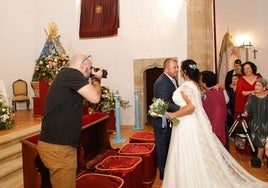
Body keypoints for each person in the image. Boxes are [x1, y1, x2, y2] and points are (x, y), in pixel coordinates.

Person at [162, 59, 268, 188]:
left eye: (179, 68)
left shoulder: (186, 86)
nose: (178, 70)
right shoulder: (195, 85)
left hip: (186, 124)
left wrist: (173, 115)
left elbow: (191, 108)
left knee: (187, 151)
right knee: (195, 151)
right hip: (190, 123)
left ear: (184, 72)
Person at [37, 53, 103, 188]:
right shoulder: (71, 74)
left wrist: (90, 82)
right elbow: (95, 98)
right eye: (90, 69)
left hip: (59, 145)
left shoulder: (66, 77)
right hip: (59, 147)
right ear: (83, 67)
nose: (91, 72)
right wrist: (96, 79)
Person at [152, 58, 180, 180]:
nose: (177, 69)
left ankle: (168, 169)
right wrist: (182, 108)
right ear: (167, 68)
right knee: (162, 147)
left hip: (170, 119)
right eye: (175, 67)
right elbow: (165, 102)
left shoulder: (172, 80)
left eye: (177, 67)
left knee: (168, 145)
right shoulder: (162, 82)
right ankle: (163, 173)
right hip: (162, 122)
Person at [243, 78, 268, 167]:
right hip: (254, 122)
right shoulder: (252, 96)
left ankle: (258, 161)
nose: (256, 87)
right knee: (256, 141)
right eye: (256, 85)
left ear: (264, 87)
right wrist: (246, 112)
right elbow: (247, 106)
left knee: (261, 141)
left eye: (259, 85)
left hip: (265, 123)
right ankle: (260, 158)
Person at [199, 70, 227, 148]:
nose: (199, 81)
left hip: (215, 126)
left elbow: (218, 112)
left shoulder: (215, 93)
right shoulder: (209, 91)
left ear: (205, 82)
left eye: (200, 79)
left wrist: (214, 131)